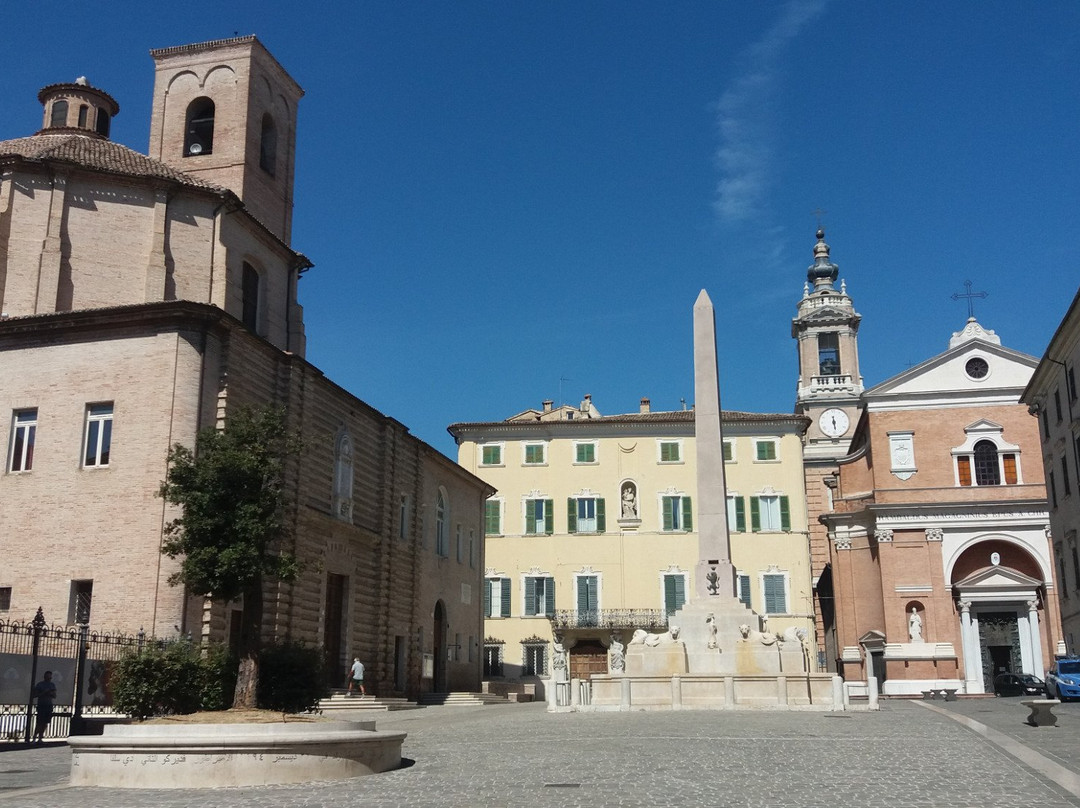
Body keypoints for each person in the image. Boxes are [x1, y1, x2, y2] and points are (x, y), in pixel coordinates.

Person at [32, 671, 57, 743]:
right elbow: (35, 695)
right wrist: (44, 692)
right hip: (41, 705)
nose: (49, 678)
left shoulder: (52, 685)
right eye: (47, 676)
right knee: (39, 722)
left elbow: (54, 695)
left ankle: (40, 737)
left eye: (50, 676)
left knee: (45, 723)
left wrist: (50, 693)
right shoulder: (40, 685)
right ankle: (34, 737)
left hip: (48, 705)